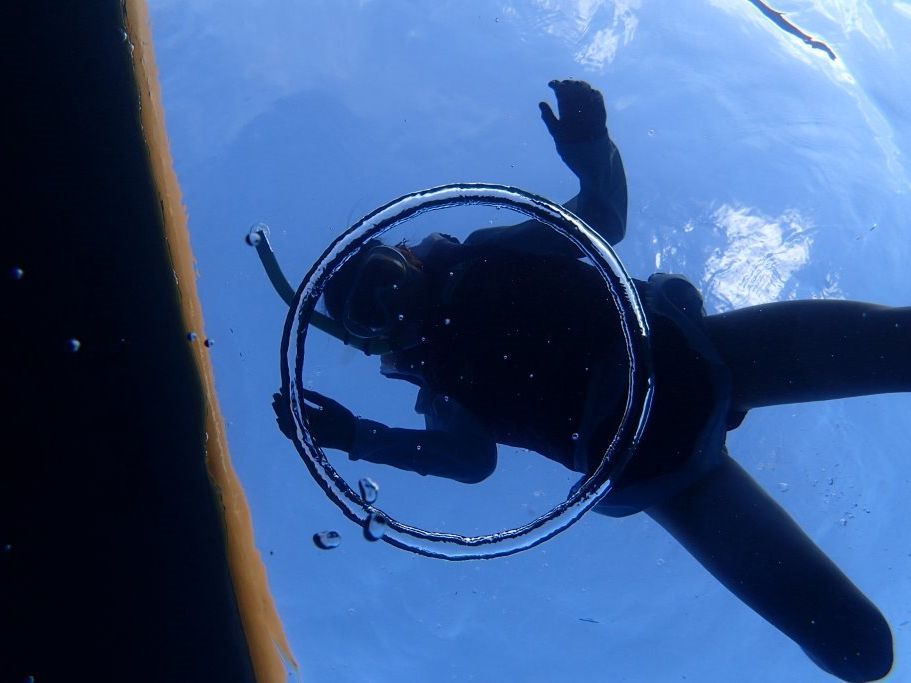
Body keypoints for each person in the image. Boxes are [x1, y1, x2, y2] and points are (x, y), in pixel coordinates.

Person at [276, 81, 907, 682]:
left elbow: (599, 217)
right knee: (855, 644)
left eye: (383, 277)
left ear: (407, 255)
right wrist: (359, 438)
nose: (392, 300)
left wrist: (590, 146)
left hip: (685, 362)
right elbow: (469, 460)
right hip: (655, 457)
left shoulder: (486, 255)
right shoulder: (442, 384)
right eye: (371, 312)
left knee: (900, 343)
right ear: (373, 341)